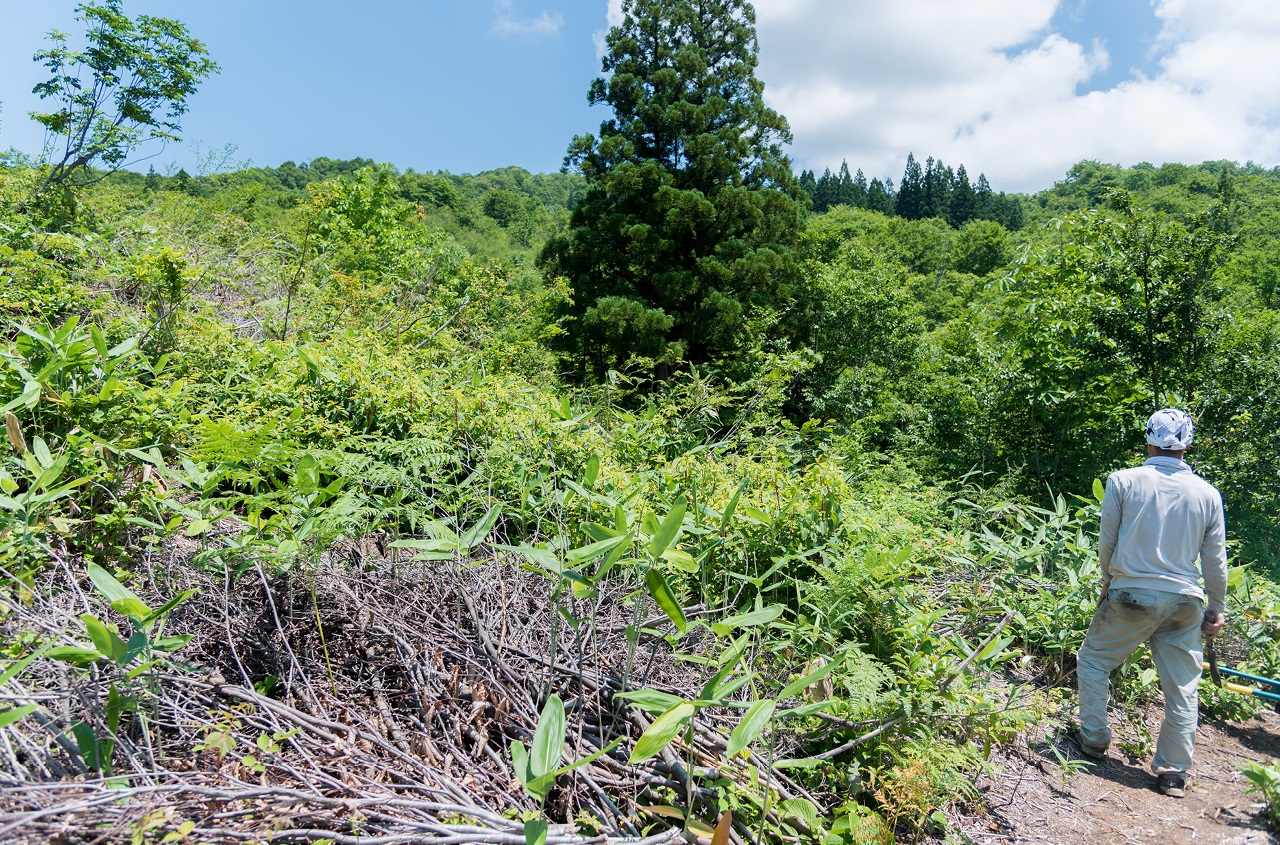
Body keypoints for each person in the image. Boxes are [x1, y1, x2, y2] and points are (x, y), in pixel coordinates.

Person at [1076, 408, 1228, 798]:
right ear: (1189, 443)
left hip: (1131, 593)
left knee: (1094, 660)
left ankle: (1094, 741)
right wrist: (1217, 607)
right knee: (1182, 688)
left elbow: (1107, 541)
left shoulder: (1123, 481)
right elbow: (1214, 559)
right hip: (1186, 602)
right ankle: (1174, 773)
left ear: (1148, 438)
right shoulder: (1208, 494)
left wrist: (1109, 581)